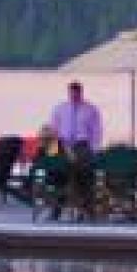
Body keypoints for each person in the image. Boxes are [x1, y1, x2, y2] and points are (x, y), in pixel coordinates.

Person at [46, 81, 103, 220]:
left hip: (81, 145)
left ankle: (86, 209)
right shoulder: (60, 109)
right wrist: (52, 152)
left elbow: (96, 131)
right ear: (68, 92)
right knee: (58, 173)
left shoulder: (91, 109)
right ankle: (56, 209)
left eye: (76, 93)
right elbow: (53, 130)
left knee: (84, 174)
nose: (74, 95)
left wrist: (94, 149)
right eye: (72, 93)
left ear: (81, 92)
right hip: (63, 145)